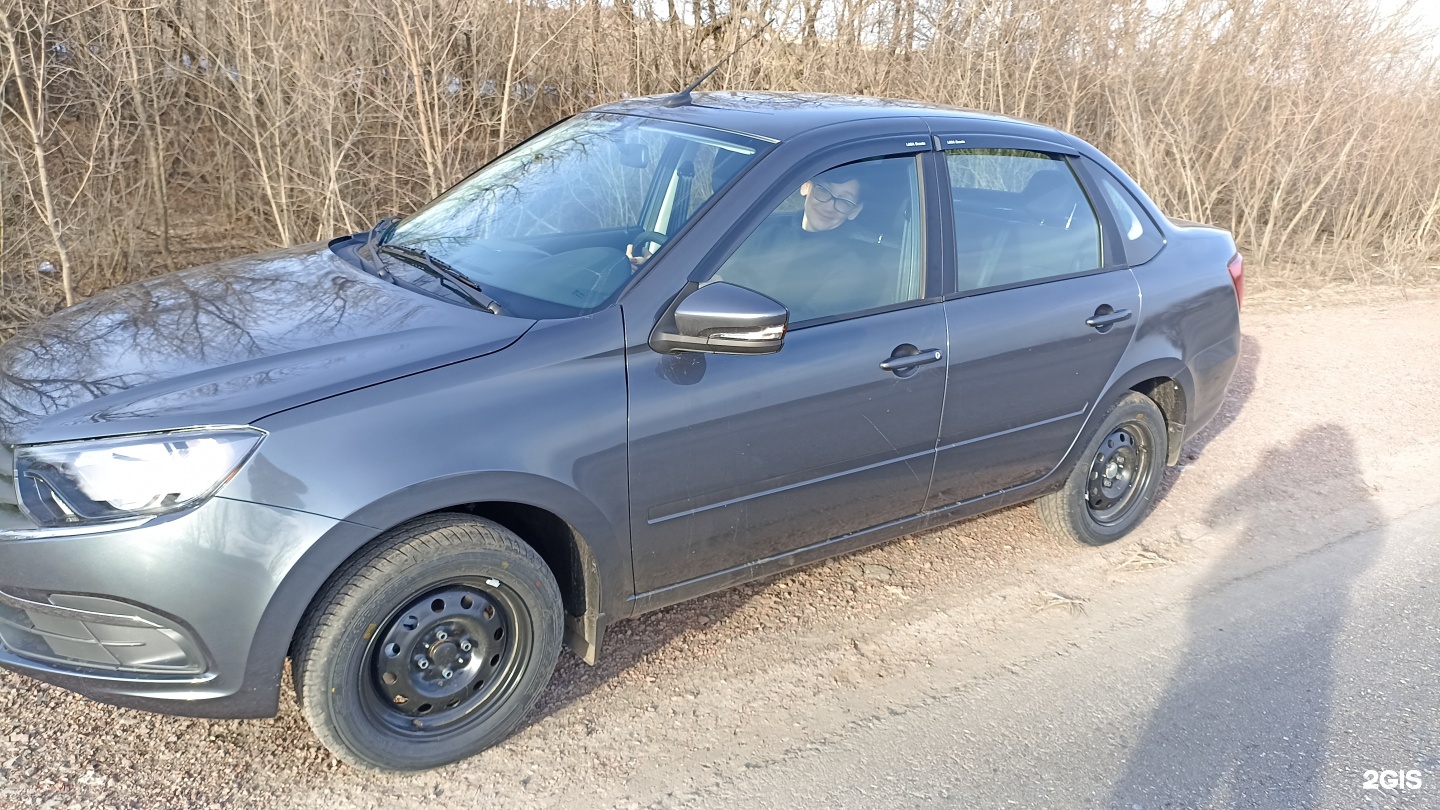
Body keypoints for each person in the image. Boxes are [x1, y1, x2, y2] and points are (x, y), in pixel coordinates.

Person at [713, 162, 893, 321]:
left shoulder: (853, 266)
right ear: (806, 187)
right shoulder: (761, 228)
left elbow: (805, 323)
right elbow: (724, 273)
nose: (829, 205)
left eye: (844, 201)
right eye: (823, 191)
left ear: (855, 211)